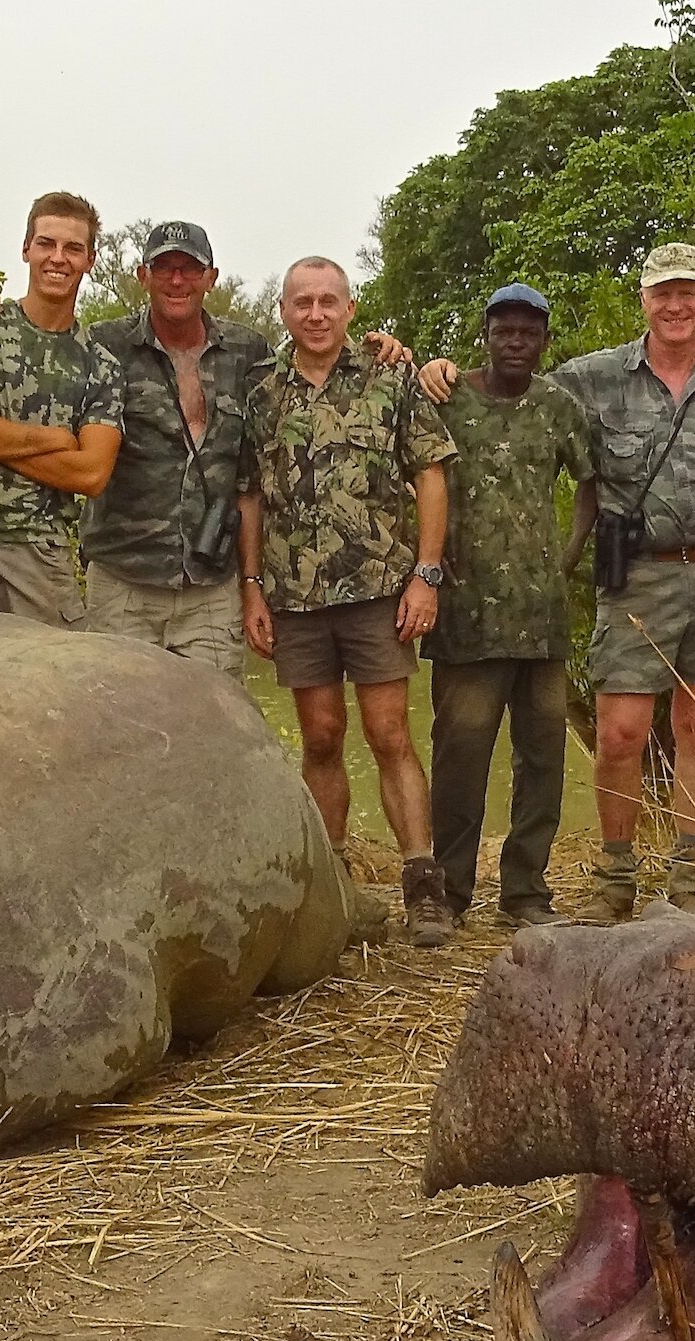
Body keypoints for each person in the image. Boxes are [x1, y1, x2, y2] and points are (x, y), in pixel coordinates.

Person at [427, 243, 695, 920]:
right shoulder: (590, 377)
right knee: (621, 734)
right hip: (638, 572)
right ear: (644, 301)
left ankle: (690, 879)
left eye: (688, 292)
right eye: (662, 293)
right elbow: (512, 385)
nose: (675, 306)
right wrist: (442, 370)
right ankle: (616, 878)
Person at [239, 256, 460, 946]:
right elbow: (248, 496)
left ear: (350, 309)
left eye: (327, 301)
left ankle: (423, 885)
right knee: (322, 735)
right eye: (301, 301)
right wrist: (251, 585)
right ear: (282, 312)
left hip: (377, 589)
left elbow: (429, 474)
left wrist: (426, 573)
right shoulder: (261, 395)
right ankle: (326, 888)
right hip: (296, 594)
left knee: (390, 734)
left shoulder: (390, 377)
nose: (314, 313)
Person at [424, 283, 598, 927]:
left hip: (542, 617)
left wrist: (568, 558)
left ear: (544, 340)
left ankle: (525, 892)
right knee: (461, 756)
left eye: (529, 331)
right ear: (486, 334)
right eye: (505, 330)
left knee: (543, 756)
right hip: (464, 615)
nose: (517, 341)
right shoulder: (448, 399)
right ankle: (449, 893)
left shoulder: (558, 406)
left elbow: (590, 483)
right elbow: (415, 475)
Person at [76, 221, 267, 673]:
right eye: (164, 268)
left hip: (211, 593)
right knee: (117, 728)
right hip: (123, 585)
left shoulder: (249, 351)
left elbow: (317, 362)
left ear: (211, 277)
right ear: (143, 276)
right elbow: (39, 348)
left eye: (189, 268)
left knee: (215, 729)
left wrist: (381, 347)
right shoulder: (103, 344)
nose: (177, 281)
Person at [0, 192, 123, 626]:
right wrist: (49, 439)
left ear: (90, 260)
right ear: (27, 249)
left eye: (73, 248)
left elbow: (91, 474)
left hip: (42, 554)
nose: (58, 258)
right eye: (46, 244)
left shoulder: (100, 364)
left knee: (57, 689)